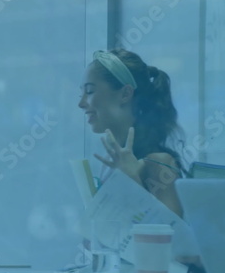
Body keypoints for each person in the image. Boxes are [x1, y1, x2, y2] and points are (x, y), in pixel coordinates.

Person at [78, 49, 185, 217]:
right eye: (81, 93)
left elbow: (174, 238)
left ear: (126, 94)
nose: (81, 103)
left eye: (90, 91)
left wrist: (132, 180)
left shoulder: (159, 163)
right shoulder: (110, 163)